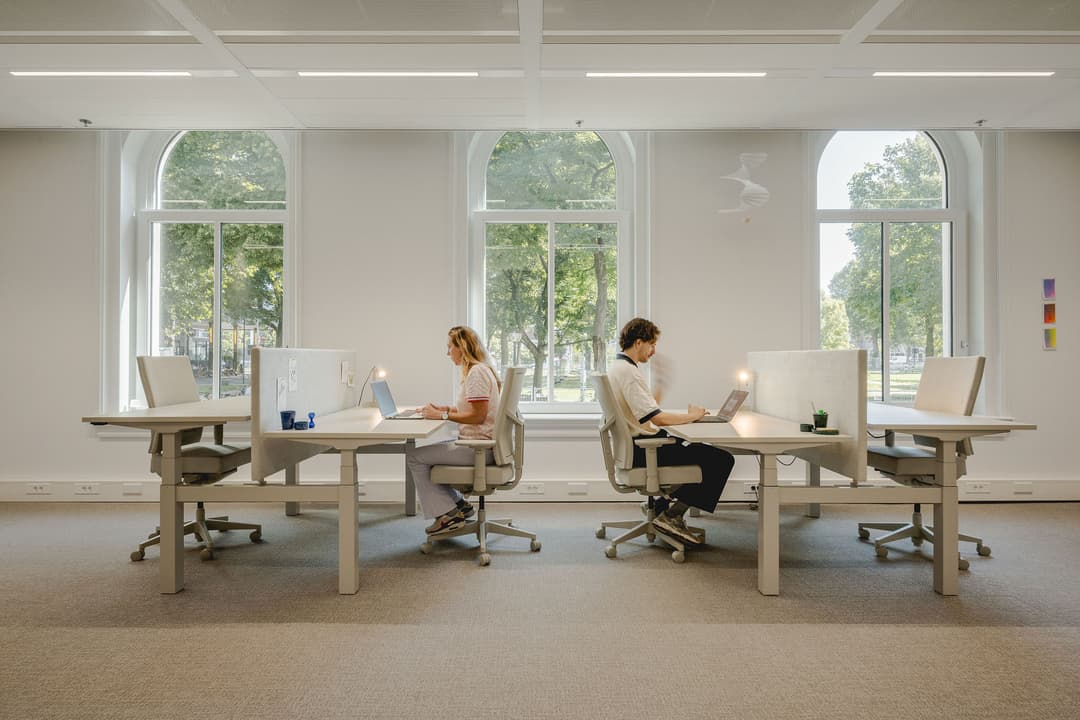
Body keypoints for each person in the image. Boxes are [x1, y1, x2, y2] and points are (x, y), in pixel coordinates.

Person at [607, 317, 735, 546]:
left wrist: (660, 385)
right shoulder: (630, 374)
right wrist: (693, 417)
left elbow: (644, 411)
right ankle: (671, 516)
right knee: (721, 460)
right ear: (639, 342)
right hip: (645, 450)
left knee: (701, 452)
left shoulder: (618, 368)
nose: (654, 351)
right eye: (652, 345)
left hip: (636, 447)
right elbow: (658, 418)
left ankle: (659, 506)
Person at [406, 325, 501, 535]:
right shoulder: (480, 370)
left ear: (462, 347)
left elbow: (479, 416)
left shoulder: (476, 373)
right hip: (478, 447)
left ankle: (448, 514)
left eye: (450, 347)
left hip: (478, 449)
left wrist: (442, 416)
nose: (448, 352)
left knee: (415, 456)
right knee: (424, 456)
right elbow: (473, 409)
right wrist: (446, 409)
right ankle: (459, 506)